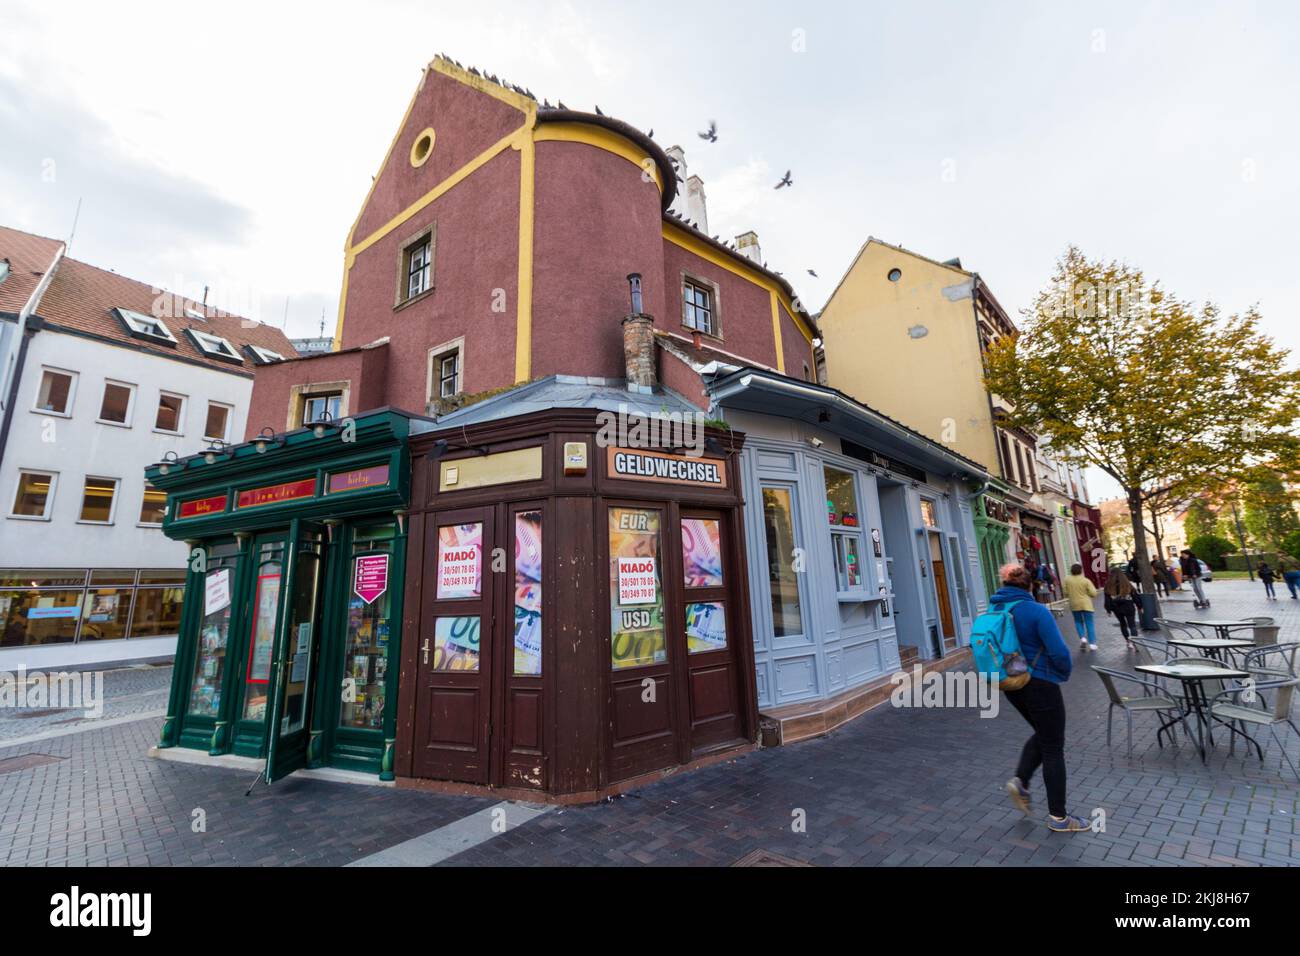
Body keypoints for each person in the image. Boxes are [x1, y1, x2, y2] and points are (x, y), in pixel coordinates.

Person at [993, 564, 1085, 832]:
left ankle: (1021, 781)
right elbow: (1059, 652)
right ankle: (1060, 818)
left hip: (1011, 684)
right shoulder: (1035, 611)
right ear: (1030, 585)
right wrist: (1062, 673)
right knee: (1053, 746)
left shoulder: (995, 610)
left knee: (1044, 735)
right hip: (1040, 683)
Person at [1063, 563, 1100, 651]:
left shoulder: (1067, 580)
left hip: (1074, 604)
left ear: (1071, 570)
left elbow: (1065, 592)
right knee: (1089, 624)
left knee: (1078, 622)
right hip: (1086, 604)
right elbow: (1094, 593)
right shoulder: (1085, 580)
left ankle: (1082, 638)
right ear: (1081, 570)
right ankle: (1092, 644)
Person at [1105, 567, 1139, 646]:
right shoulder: (1127, 583)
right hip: (1128, 605)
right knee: (1132, 625)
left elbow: (1107, 599)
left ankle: (1128, 641)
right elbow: (1135, 595)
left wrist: (1108, 609)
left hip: (1116, 607)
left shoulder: (1108, 585)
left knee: (1122, 623)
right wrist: (1139, 606)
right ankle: (1135, 643)